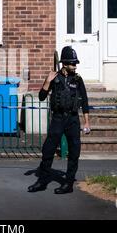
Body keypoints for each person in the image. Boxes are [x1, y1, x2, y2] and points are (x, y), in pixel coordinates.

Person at [28, 46, 90, 194]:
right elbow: (42, 97)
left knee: (74, 152)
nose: (75, 66)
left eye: (76, 63)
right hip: (58, 118)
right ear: (64, 63)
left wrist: (87, 122)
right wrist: (47, 82)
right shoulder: (54, 78)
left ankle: (68, 183)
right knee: (48, 150)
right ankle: (42, 181)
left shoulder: (78, 79)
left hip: (73, 119)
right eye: (72, 63)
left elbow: (85, 101)